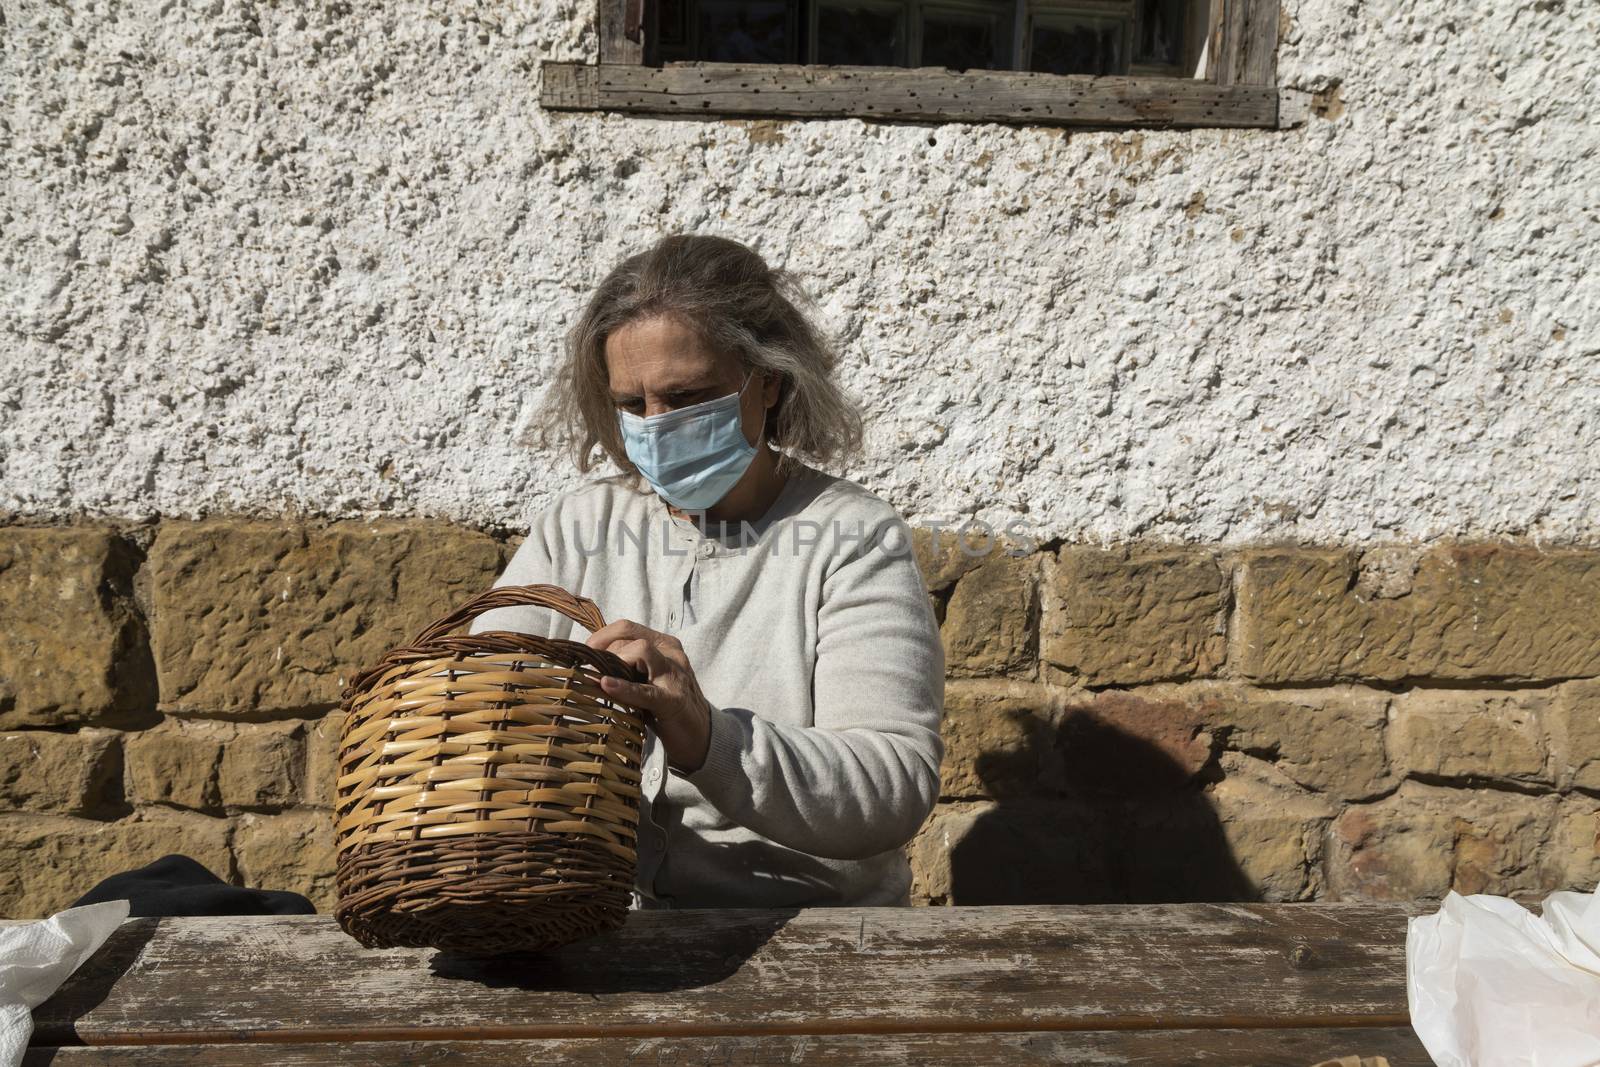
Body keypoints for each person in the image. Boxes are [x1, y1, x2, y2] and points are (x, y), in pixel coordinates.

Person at [469, 233, 943, 908]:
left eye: (687, 397)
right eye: (633, 404)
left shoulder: (853, 538)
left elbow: (890, 785)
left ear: (769, 381)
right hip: (601, 922)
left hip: (811, 931)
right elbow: (474, 685)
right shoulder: (582, 526)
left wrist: (710, 740)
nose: (657, 427)